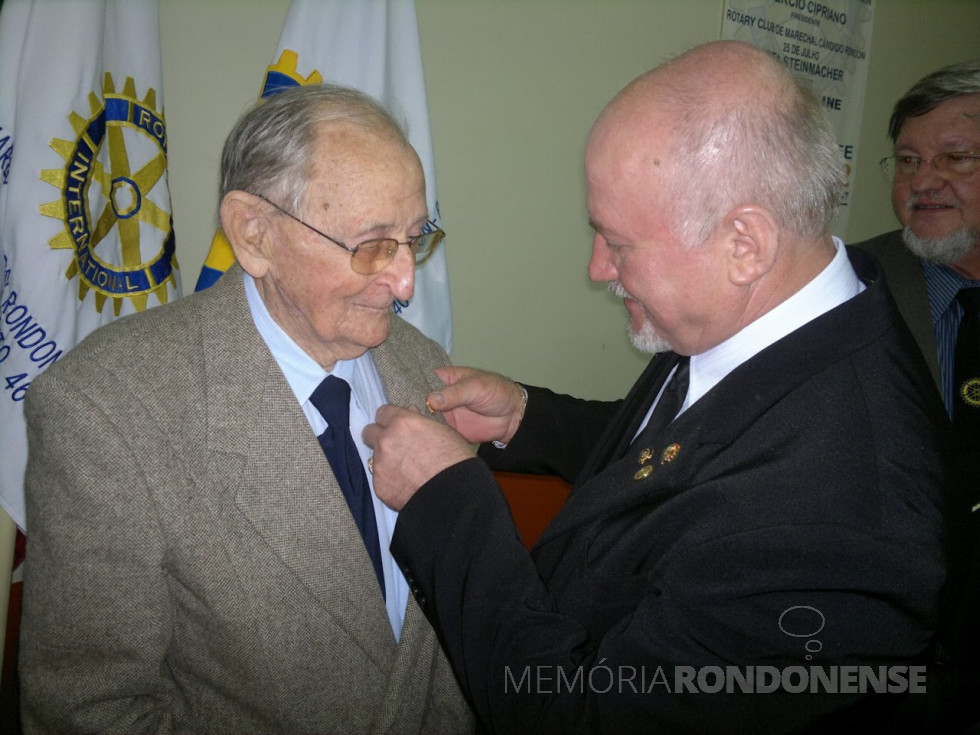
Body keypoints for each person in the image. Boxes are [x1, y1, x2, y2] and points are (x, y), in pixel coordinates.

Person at [363, 42, 959, 733]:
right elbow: (682, 453)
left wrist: (448, 503)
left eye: (619, 244)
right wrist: (524, 418)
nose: (597, 269)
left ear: (745, 243)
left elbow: (578, 717)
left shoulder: (831, 533)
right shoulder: (784, 304)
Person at [19, 84, 472, 734]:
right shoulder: (105, 410)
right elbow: (91, 712)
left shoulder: (424, 366)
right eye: (372, 244)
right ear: (254, 234)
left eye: (415, 238)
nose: (404, 282)